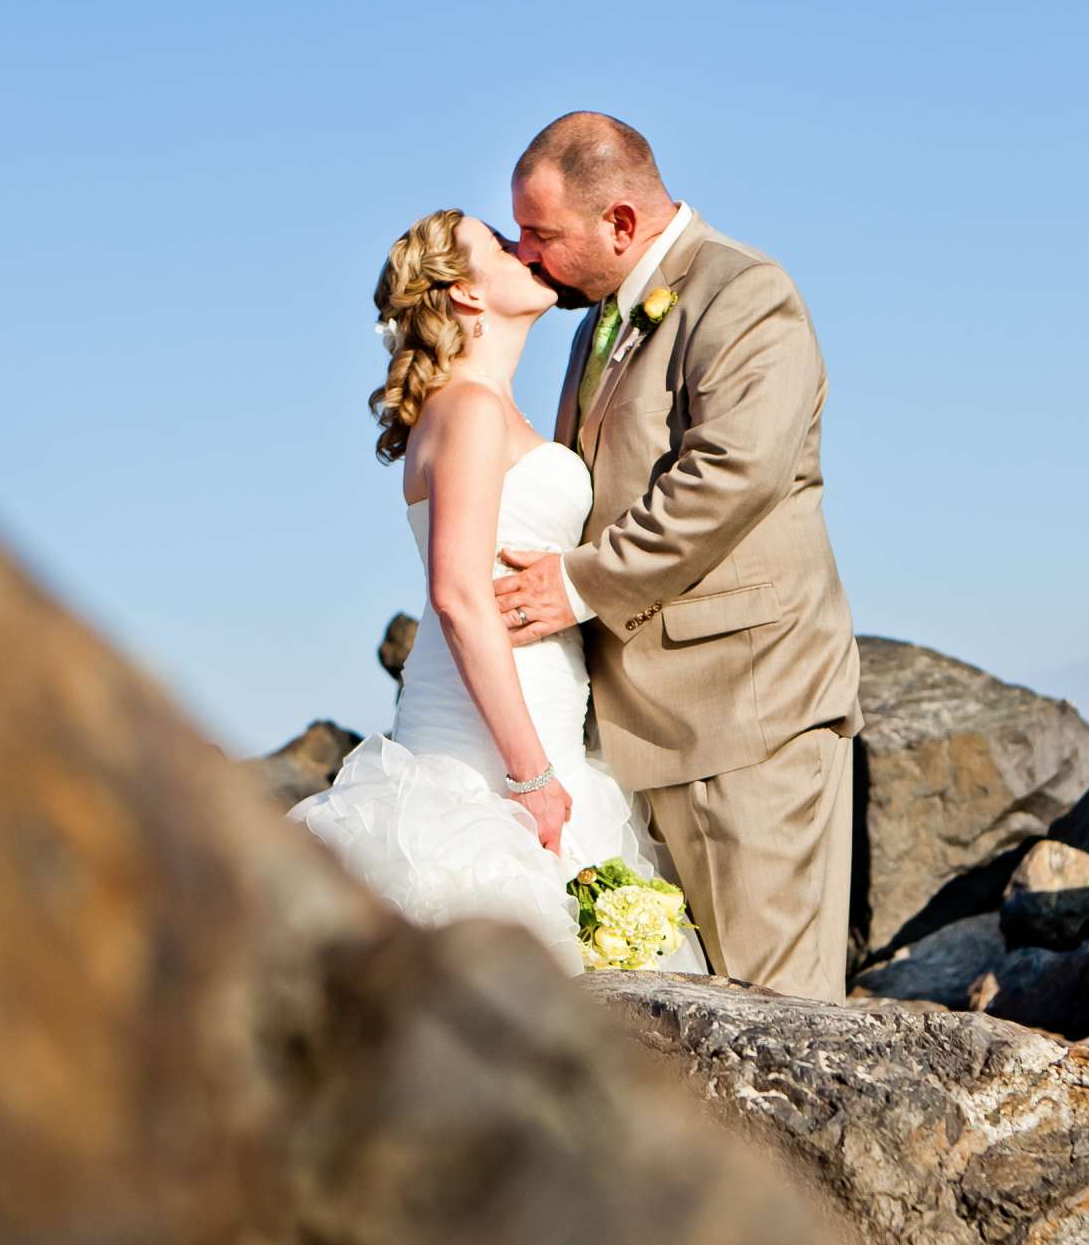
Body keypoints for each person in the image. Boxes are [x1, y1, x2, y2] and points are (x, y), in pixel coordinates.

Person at [492, 113, 862, 1000]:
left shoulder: (747, 295)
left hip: (747, 720)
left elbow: (733, 474)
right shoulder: (593, 326)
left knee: (780, 1024)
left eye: (542, 235)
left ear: (620, 222)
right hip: (633, 735)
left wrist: (577, 585)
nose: (527, 256)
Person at [290, 208, 703, 977]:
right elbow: (456, 594)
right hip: (487, 766)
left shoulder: (490, 409)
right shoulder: (471, 410)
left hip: (541, 733)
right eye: (503, 247)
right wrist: (532, 776)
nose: (528, 252)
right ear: (466, 297)